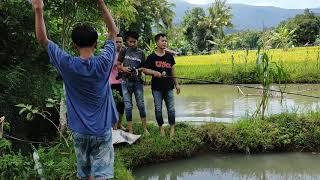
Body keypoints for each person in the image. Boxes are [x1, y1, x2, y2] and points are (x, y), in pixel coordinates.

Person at [32, 0, 118, 179]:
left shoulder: (67, 64)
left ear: (73, 45)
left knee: (85, 174)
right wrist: (101, 4)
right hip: (102, 130)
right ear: (95, 44)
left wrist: (38, 10)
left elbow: (43, 40)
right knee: (102, 175)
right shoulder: (104, 62)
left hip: (79, 131)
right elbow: (113, 32)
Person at [143, 33, 181, 138]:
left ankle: (172, 128)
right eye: (162, 41)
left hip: (169, 87)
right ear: (157, 42)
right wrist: (154, 73)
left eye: (165, 41)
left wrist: (176, 84)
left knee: (171, 109)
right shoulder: (151, 57)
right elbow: (144, 70)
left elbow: (173, 70)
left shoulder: (169, 56)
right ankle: (161, 128)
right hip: (156, 88)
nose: (164, 42)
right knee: (158, 109)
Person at [117, 31, 149, 134]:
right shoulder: (124, 51)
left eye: (134, 42)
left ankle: (145, 128)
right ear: (127, 41)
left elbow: (144, 67)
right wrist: (124, 68)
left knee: (141, 104)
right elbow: (118, 65)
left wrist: (137, 70)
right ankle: (130, 129)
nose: (132, 44)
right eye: (130, 42)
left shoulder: (141, 53)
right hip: (125, 81)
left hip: (137, 82)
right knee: (128, 105)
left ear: (137, 41)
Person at [109, 34, 125, 130]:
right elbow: (106, 66)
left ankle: (119, 124)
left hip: (123, 82)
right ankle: (113, 125)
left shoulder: (125, 53)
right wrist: (117, 64)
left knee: (122, 104)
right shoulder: (110, 54)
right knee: (113, 104)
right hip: (112, 82)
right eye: (116, 42)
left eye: (120, 42)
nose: (118, 44)